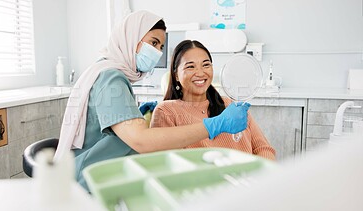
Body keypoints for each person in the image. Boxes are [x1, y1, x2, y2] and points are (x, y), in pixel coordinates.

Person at [54, 11, 251, 191]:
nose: (157, 52)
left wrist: (133, 115)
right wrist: (216, 124)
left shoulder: (104, 71)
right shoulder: (112, 79)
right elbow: (142, 141)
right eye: (153, 43)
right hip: (92, 181)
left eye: (161, 46)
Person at [150, 40, 276, 160]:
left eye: (206, 65)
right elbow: (167, 163)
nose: (200, 73)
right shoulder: (166, 111)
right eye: (190, 67)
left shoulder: (232, 106)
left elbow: (263, 148)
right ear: (176, 74)